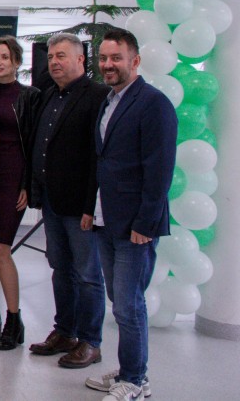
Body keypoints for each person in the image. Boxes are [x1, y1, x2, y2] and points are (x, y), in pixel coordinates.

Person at [86, 29, 176, 401]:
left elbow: (160, 169)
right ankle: (129, 369)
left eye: (116, 58)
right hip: (106, 219)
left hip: (135, 225)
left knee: (128, 304)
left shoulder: (153, 103)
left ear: (134, 61)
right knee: (119, 301)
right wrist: (90, 210)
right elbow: (103, 161)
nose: (108, 64)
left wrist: (145, 223)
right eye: (103, 58)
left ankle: (135, 379)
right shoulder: (109, 101)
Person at [28, 33, 109, 370]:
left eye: (61, 56)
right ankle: (65, 332)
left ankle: (90, 342)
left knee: (88, 275)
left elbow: (98, 157)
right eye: (51, 57)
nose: (54, 62)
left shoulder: (98, 96)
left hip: (81, 207)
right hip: (52, 201)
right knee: (60, 269)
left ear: (80, 59)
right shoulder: (49, 94)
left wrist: (91, 206)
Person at [0, 36, 40, 350]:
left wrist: (28, 184)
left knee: (1, 250)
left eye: (5, 57)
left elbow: (35, 143)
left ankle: (15, 320)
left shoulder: (30, 96)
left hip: (13, 178)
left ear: (16, 61)